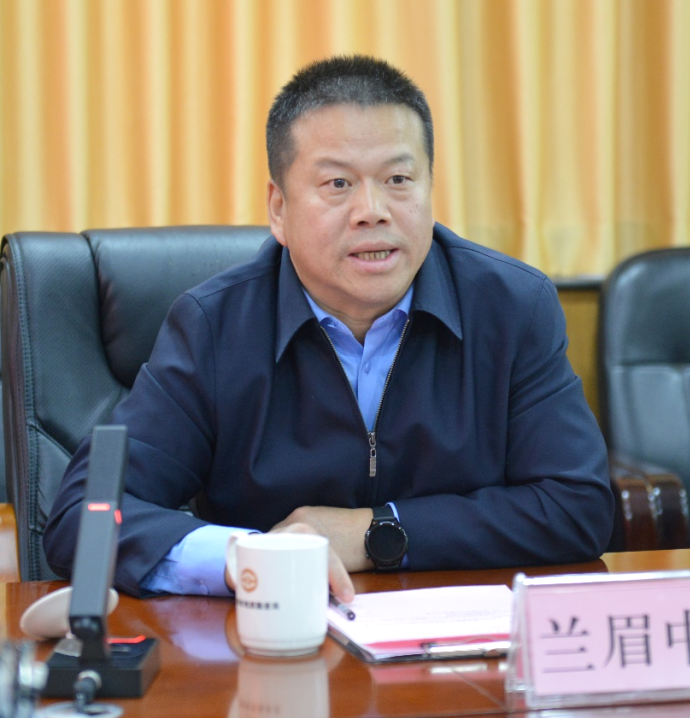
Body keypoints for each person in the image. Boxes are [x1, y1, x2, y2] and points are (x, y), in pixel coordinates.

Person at [43, 55, 613, 600]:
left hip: (460, 643)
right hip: (273, 637)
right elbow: (85, 516)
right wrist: (250, 558)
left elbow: (579, 506)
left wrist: (373, 533)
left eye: (399, 179)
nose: (373, 210)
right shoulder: (215, 327)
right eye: (338, 184)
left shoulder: (510, 307)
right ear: (278, 209)